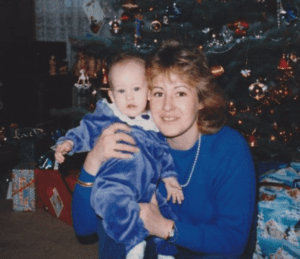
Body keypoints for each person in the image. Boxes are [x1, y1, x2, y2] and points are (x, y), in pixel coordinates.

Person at [72, 40, 257, 259]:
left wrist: (163, 227)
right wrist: (93, 160)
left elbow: (232, 243)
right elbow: (84, 229)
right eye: (159, 93)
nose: (167, 106)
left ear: (200, 100)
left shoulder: (229, 149)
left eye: (180, 93)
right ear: (148, 97)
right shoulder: (135, 141)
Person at [55, 52, 183, 259]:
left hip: (147, 187)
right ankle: (133, 243)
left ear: (149, 92)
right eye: (121, 91)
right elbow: (86, 130)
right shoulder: (108, 117)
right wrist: (68, 143)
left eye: (136, 89)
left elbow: (163, 154)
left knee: (166, 208)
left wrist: (170, 178)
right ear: (112, 96)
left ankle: (165, 252)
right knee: (110, 203)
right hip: (115, 184)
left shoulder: (152, 125)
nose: (130, 97)